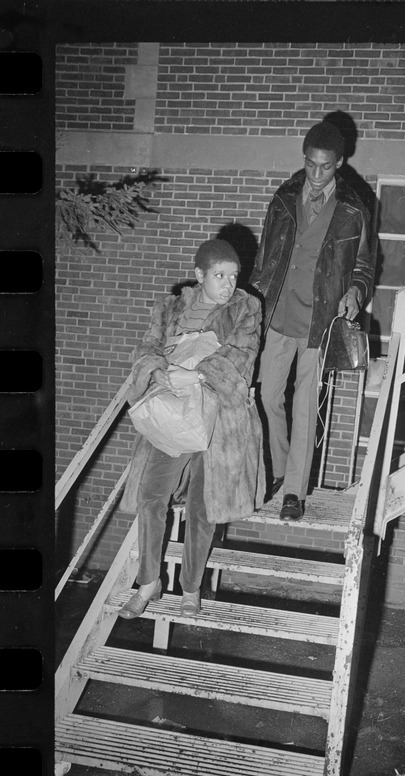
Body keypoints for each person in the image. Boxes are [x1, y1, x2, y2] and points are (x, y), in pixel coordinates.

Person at [119, 238, 265, 618]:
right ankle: (149, 582)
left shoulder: (246, 308)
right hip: (172, 415)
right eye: (219, 276)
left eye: (233, 276)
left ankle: (190, 589)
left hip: (218, 420)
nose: (228, 284)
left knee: (203, 506)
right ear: (200, 275)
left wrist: (196, 375)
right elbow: (147, 348)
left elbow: (242, 357)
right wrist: (159, 372)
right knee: (151, 496)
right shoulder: (169, 308)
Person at [250, 121, 374, 522]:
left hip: (319, 321)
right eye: (310, 165)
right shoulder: (283, 198)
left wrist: (355, 291)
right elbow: (265, 257)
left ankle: (293, 493)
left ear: (339, 163)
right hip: (279, 314)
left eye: (325, 167)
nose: (317, 175)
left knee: (305, 404)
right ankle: (284, 468)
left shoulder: (354, 208)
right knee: (268, 397)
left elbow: (365, 265)